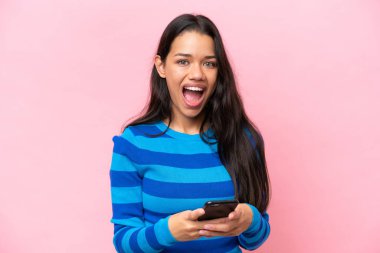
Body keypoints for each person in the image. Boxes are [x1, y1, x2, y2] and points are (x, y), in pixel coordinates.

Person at [109, 13, 271, 253]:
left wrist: (251, 219)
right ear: (161, 66)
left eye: (209, 63)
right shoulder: (133, 144)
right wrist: (169, 231)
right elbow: (123, 243)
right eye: (183, 61)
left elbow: (253, 240)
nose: (197, 74)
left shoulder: (242, 138)